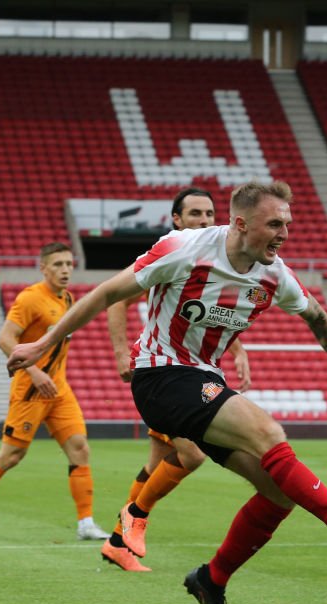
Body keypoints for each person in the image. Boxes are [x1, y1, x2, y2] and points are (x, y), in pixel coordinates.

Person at [9, 180, 327, 604]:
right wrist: (44, 343)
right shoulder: (185, 249)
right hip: (160, 377)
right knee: (270, 434)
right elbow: (107, 293)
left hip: (203, 379)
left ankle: (211, 581)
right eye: (274, 223)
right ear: (239, 223)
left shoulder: (274, 275)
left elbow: (317, 318)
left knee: (278, 493)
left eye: (288, 224)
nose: (284, 233)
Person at [102, 187, 252, 572]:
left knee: (159, 463)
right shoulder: (173, 252)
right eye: (195, 214)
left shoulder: (211, 258)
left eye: (209, 213)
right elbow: (117, 300)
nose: (203, 220)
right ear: (176, 219)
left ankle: (119, 542)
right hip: (162, 371)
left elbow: (211, 315)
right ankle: (134, 516)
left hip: (188, 367)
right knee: (192, 454)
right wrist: (122, 353)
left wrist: (236, 350)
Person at [0, 242, 109, 543]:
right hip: (31, 389)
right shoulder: (30, 299)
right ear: (43, 268)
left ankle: (85, 522)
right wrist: (34, 373)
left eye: (68, 264)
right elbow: (5, 339)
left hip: (59, 389)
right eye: (57, 265)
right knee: (11, 456)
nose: (64, 270)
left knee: (80, 449)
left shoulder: (68, 298)